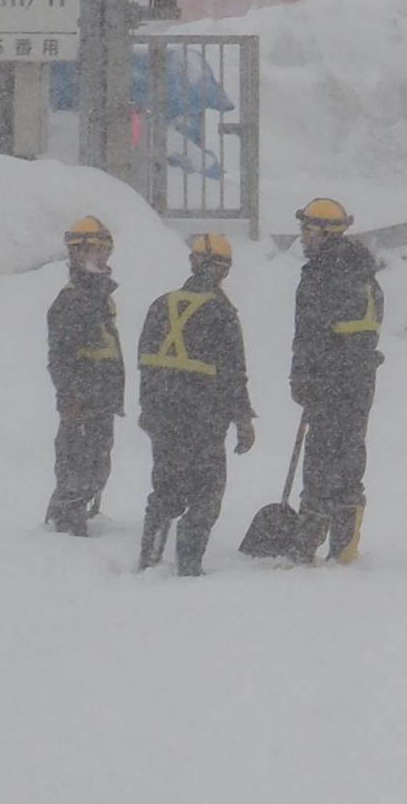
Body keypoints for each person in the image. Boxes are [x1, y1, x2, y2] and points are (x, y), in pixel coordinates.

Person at [137, 231, 256, 576]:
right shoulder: (221, 313)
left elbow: (145, 361)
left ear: (192, 263)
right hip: (203, 416)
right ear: (225, 271)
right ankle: (189, 565)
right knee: (206, 492)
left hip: (164, 413)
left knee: (165, 489)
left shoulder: (161, 304)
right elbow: (234, 372)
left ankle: (150, 558)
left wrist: (150, 408)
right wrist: (243, 419)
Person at [290, 197, 383, 565]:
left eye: (308, 230)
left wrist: (303, 376)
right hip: (359, 377)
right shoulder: (363, 270)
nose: (302, 238)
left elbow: (309, 332)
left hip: (329, 378)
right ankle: (345, 545)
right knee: (349, 455)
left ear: (326, 234)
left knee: (320, 459)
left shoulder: (320, 275)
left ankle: (305, 545)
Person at [45, 216, 125, 536]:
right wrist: (70, 395)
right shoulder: (72, 299)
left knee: (97, 463)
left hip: (101, 395)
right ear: (77, 253)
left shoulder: (100, 295)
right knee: (75, 466)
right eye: (95, 249)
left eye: (106, 249)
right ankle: (64, 526)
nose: (102, 256)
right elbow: (61, 355)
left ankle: (75, 517)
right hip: (82, 397)